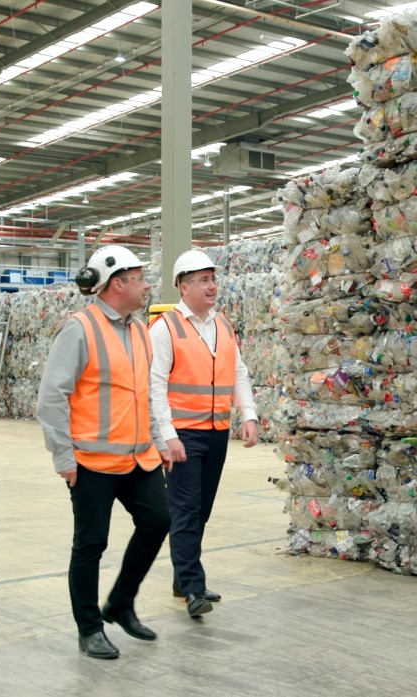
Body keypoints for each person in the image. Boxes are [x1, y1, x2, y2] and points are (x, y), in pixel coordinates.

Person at [36, 245, 171, 660]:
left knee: (158, 521)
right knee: (91, 544)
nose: (147, 284)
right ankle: (90, 628)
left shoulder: (138, 330)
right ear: (117, 284)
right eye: (140, 278)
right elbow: (51, 399)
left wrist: (158, 441)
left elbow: (142, 394)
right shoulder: (80, 328)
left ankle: (120, 602)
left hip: (137, 457)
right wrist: (63, 457)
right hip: (92, 462)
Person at [150, 248, 259, 619]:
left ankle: (184, 577)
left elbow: (238, 373)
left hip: (216, 432)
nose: (211, 286)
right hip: (182, 433)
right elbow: (154, 385)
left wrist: (249, 414)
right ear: (183, 287)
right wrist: (166, 434)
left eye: (212, 278)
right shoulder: (164, 329)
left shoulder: (223, 325)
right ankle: (193, 588)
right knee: (185, 509)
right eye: (202, 280)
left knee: (203, 509)